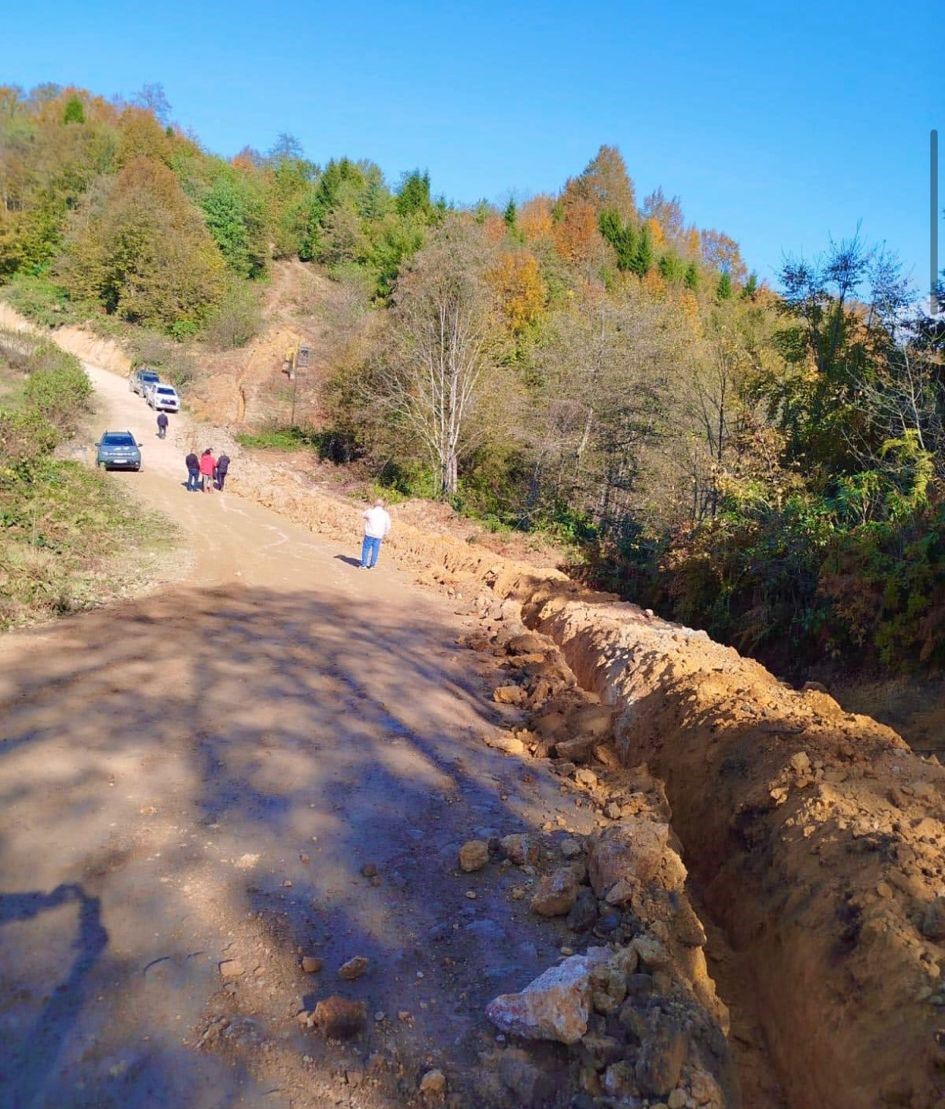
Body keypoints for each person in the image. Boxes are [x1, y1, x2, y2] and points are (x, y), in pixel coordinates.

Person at [359, 498, 391, 569]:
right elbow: (388, 525)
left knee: (366, 548)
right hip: (379, 535)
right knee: (375, 550)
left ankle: (363, 564)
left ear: (375, 504)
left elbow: (362, 515)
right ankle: (372, 565)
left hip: (369, 533)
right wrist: (385, 533)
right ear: (382, 505)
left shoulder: (370, 511)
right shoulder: (385, 514)